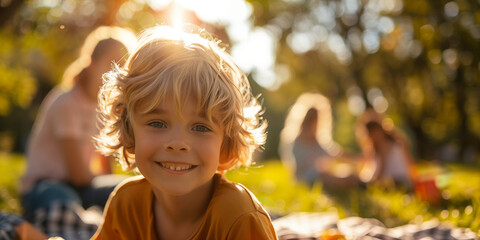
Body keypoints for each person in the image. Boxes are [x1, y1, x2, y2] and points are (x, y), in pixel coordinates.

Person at [92, 25, 277, 240]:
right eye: (158, 123)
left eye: (200, 127)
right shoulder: (126, 203)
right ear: (129, 129)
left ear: (225, 141)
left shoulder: (238, 215)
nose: (178, 143)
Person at [20, 26, 136, 225]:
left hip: (82, 187)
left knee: (131, 191)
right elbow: (79, 174)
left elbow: (104, 167)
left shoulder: (103, 108)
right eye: (113, 64)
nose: (119, 74)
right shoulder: (66, 102)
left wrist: (113, 192)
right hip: (47, 185)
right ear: (92, 63)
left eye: (125, 67)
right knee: (62, 201)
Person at [279, 93, 345, 187]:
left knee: (343, 173)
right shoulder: (298, 140)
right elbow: (299, 166)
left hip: (319, 175)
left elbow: (335, 153)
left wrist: (358, 158)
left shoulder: (318, 141)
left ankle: (361, 182)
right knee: (329, 176)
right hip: (304, 179)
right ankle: (360, 183)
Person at [355, 108, 417, 189]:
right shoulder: (396, 142)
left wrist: (370, 183)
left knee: (354, 180)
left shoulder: (385, 146)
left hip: (396, 181)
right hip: (401, 181)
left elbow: (380, 171)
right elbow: (411, 165)